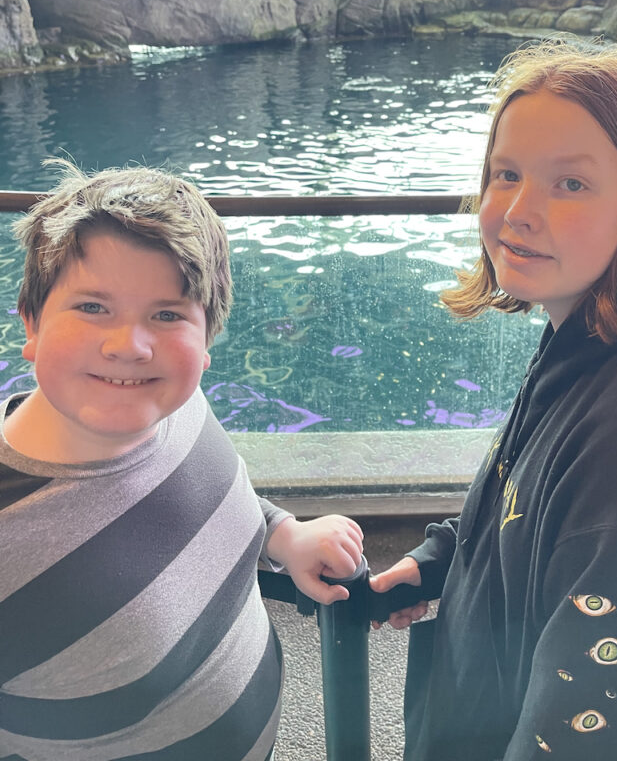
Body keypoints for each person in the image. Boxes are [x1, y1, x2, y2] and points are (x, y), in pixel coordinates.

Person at [370, 41, 617, 761]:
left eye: (571, 185)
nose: (518, 212)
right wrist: (448, 559)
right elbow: (545, 507)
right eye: (507, 174)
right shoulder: (594, 336)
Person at [0, 161, 363, 761]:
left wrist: (282, 535)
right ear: (31, 324)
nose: (130, 345)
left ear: (206, 339)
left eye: (167, 315)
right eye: (92, 307)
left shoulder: (179, 407)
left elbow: (212, 497)